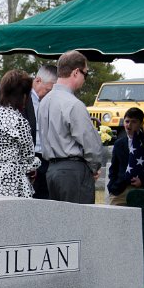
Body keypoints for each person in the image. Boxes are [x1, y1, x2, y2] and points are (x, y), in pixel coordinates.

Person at [37, 50, 102, 204]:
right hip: (73, 171)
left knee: (60, 224)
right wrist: (95, 166)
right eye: (85, 74)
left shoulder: (44, 101)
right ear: (76, 72)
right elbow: (89, 143)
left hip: (51, 171)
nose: (85, 79)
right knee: (79, 224)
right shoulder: (73, 104)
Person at [0, 70, 41, 197]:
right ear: (23, 96)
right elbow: (28, 160)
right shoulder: (20, 122)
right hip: (13, 184)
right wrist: (37, 163)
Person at [106, 107, 144, 206]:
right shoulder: (119, 143)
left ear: (141, 124)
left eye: (134, 122)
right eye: (127, 121)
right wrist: (111, 186)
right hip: (120, 190)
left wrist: (143, 180)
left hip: (141, 189)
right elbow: (114, 168)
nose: (129, 125)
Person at [29, 64, 58, 199]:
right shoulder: (25, 99)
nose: (49, 94)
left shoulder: (50, 100)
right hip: (32, 156)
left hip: (47, 158)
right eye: (47, 90)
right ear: (38, 80)